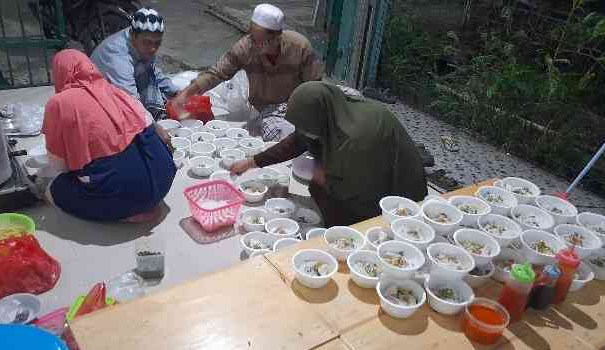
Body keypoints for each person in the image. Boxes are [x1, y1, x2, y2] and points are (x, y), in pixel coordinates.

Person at [231, 82, 428, 227]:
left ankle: (345, 230)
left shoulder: (354, 139)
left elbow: (355, 187)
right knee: (314, 181)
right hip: (365, 166)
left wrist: (323, 178)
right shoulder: (333, 111)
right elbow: (297, 141)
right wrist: (253, 161)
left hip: (396, 187)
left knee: (332, 199)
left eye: (305, 126)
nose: (303, 131)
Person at [41, 49, 176, 222]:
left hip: (129, 195)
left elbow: (59, 167)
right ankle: (142, 202)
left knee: (54, 189)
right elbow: (149, 126)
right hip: (165, 179)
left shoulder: (58, 103)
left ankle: (127, 213)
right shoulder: (115, 90)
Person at [173, 3, 322, 141]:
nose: (255, 45)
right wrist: (186, 94)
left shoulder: (299, 46)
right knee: (280, 136)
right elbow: (216, 73)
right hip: (266, 110)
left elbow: (314, 85)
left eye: (261, 42)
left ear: (277, 37)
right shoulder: (246, 47)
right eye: (252, 38)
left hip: (296, 105)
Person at [91, 8, 176, 117]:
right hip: (100, 100)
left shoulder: (140, 44)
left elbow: (152, 69)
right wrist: (154, 127)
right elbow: (131, 102)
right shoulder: (118, 56)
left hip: (124, 88)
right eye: (147, 42)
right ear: (133, 36)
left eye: (157, 43)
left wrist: (176, 92)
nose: (153, 49)